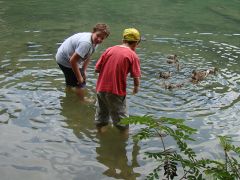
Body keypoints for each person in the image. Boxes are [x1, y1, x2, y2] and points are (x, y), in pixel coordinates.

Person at [95, 28, 141, 131]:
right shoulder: (133, 55)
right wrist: (136, 87)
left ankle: (100, 134)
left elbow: (97, 69)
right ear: (136, 43)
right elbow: (136, 76)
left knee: (101, 113)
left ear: (123, 40)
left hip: (100, 89)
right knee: (122, 121)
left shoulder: (109, 49)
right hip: (116, 91)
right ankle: (122, 141)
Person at [56, 23, 110, 100]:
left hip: (66, 56)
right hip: (65, 59)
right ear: (93, 31)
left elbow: (88, 55)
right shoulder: (86, 43)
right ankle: (82, 100)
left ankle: (69, 90)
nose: (99, 39)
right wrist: (79, 78)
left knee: (73, 79)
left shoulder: (94, 41)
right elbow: (73, 61)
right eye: (98, 36)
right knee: (81, 84)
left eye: (102, 38)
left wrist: (84, 71)